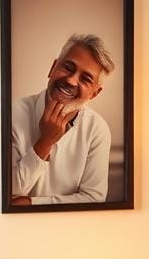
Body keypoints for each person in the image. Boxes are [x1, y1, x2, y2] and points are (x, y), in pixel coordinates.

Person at [11, 34, 114, 205]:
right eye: (68, 67)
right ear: (52, 68)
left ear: (94, 93)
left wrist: (31, 203)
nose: (72, 80)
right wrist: (45, 141)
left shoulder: (97, 129)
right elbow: (9, 190)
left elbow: (94, 198)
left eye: (85, 79)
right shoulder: (12, 113)